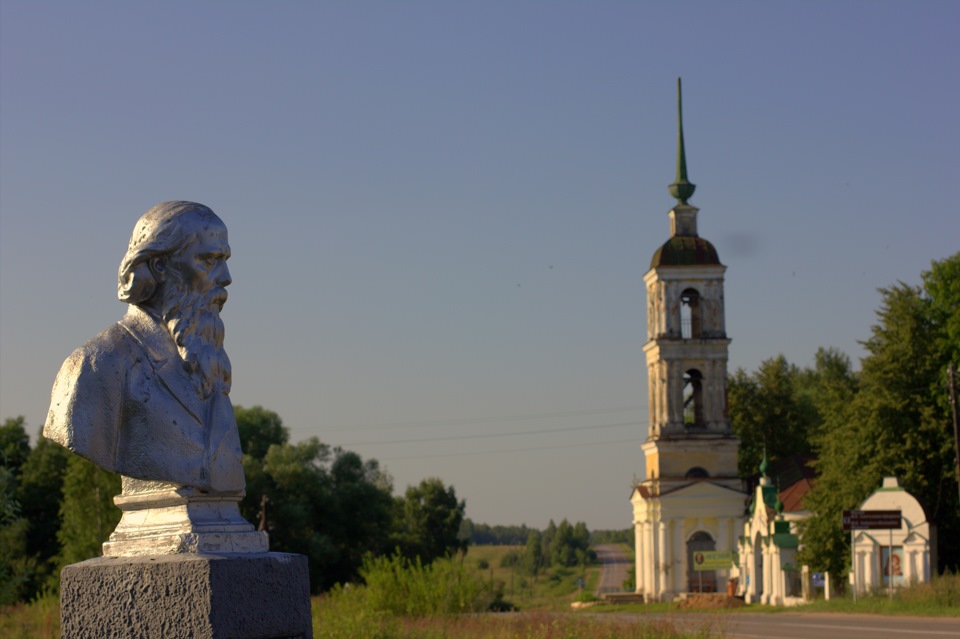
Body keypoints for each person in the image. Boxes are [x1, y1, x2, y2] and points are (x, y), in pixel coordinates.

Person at [44, 201, 244, 493]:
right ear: (159, 265)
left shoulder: (207, 364)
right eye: (209, 261)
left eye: (225, 260)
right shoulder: (96, 366)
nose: (226, 277)